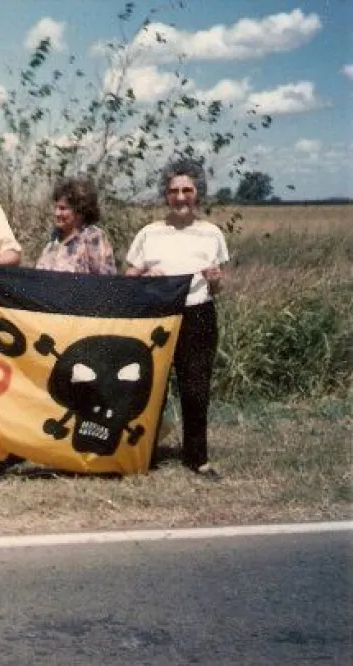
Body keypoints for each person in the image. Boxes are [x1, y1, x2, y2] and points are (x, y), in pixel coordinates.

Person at [125, 156, 228, 479]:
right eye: (174, 191)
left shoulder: (212, 234)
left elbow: (218, 287)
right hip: (156, 317)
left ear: (198, 193)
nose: (181, 197)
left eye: (187, 190)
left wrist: (214, 279)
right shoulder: (149, 233)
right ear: (165, 194)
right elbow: (128, 276)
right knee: (148, 387)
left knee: (196, 388)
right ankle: (142, 454)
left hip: (198, 314)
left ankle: (197, 457)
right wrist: (145, 276)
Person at [35, 177, 116, 274]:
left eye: (63, 209)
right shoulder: (54, 239)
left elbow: (105, 280)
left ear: (79, 211)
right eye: (56, 207)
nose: (57, 213)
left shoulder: (92, 237)